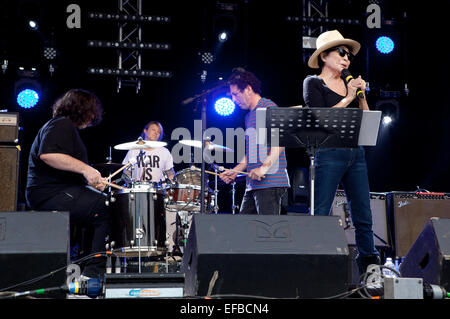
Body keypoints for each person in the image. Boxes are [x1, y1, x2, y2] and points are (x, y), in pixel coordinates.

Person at [302, 30, 380, 275]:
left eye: (349, 55)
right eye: (341, 52)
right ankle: (315, 262)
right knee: (321, 209)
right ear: (324, 56)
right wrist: (347, 98)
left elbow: (366, 121)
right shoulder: (313, 83)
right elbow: (320, 118)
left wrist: (360, 96)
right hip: (329, 153)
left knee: (363, 213)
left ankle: (369, 266)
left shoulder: (350, 85)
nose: (347, 58)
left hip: (355, 153)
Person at [25, 88, 109, 279]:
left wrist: (91, 183)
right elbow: (49, 155)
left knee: (97, 204)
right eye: (91, 111)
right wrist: (87, 170)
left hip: (56, 191)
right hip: (50, 194)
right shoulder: (61, 124)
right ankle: (93, 272)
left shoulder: (60, 125)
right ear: (83, 109)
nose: (93, 116)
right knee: (106, 206)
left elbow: (65, 171)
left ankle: (82, 266)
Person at [220, 67, 290, 215]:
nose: (233, 99)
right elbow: (252, 153)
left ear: (248, 89)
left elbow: (279, 144)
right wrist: (236, 171)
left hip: (270, 182)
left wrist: (263, 168)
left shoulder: (267, 107)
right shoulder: (249, 116)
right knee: (243, 230)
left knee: (267, 232)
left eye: (235, 94)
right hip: (254, 184)